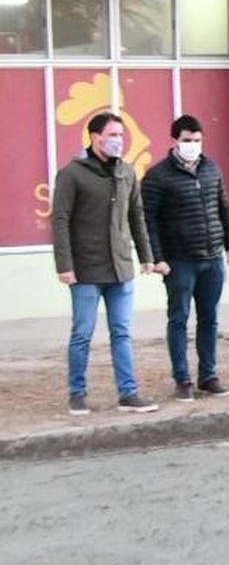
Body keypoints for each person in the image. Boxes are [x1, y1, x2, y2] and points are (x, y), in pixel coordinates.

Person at [51, 112, 159, 415]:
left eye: (121, 136)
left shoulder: (126, 172)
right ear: (95, 137)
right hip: (86, 270)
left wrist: (146, 256)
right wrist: (64, 265)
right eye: (112, 135)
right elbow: (60, 220)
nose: (118, 141)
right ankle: (77, 393)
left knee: (122, 332)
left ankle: (129, 393)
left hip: (120, 268)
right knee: (82, 333)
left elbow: (136, 215)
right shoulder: (72, 174)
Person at [142, 114, 229, 402]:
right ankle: (182, 379)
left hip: (211, 258)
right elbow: (147, 220)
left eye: (197, 140)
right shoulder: (158, 176)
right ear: (174, 141)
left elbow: (223, 207)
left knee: (209, 320)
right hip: (179, 261)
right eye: (187, 141)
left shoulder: (211, 170)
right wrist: (157, 257)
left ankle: (208, 376)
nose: (193, 145)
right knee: (179, 319)